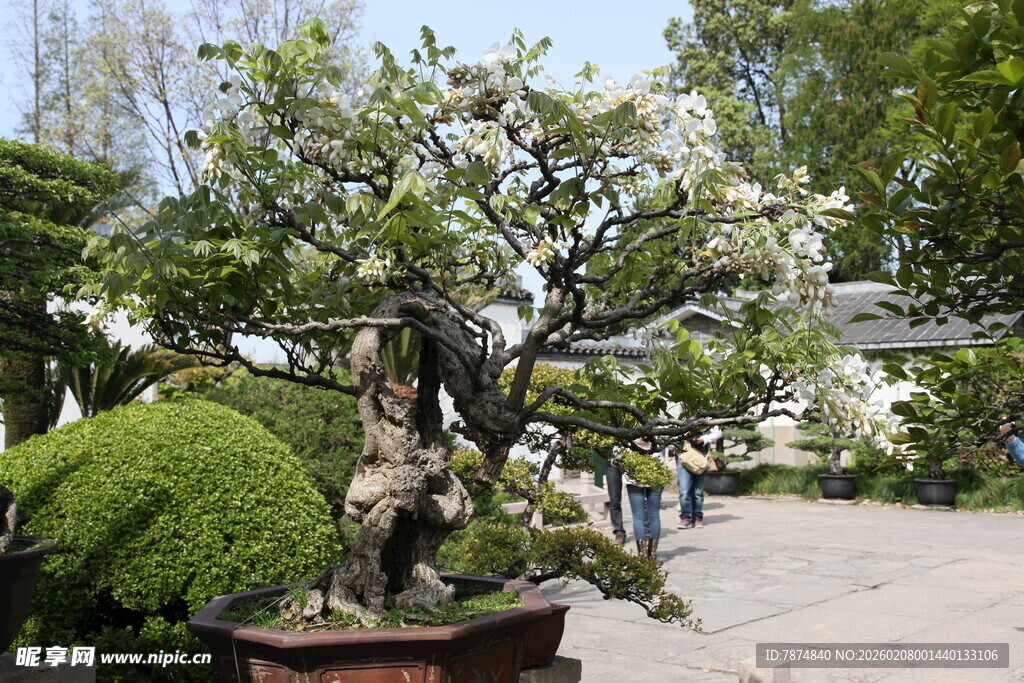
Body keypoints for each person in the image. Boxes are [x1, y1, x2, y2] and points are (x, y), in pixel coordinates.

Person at [622, 438, 665, 561]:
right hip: (656, 472)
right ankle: (652, 553)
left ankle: (642, 554)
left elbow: (617, 454)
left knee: (638, 517)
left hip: (634, 475)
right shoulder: (654, 432)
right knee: (654, 516)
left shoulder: (628, 435)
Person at [677, 426, 722, 530]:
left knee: (698, 491)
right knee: (684, 490)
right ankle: (685, 517)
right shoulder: (682, 416)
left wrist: (704, 439)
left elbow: (718, 433)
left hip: (700, 458)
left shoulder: (708, 417)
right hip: (684, 457)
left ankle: (697, 518)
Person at [594, 446, 627, 546]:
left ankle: (644, 531)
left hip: (630, 459)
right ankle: (619, 531)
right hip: (612, 462)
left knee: (638, 498)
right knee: (614, 499)